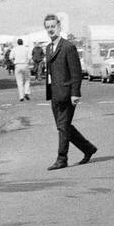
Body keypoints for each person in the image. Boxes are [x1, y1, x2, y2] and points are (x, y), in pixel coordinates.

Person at [41, 13, 97, 170]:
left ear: (59, 27)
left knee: (63, 126)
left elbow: (76, 72)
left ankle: (62, 158)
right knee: (62, 126)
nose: (51, 30)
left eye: (53, 26)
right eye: (48, 27)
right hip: (54, 94)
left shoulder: (68, 47)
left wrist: (75, 93)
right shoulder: (48, 48)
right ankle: (88, 148)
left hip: (66, 94)